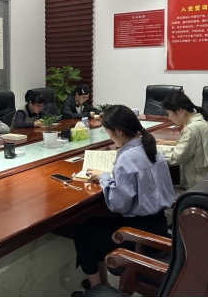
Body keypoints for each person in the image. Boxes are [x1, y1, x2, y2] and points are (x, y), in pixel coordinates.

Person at [72, 105, 175, 296]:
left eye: (108, 132)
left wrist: (105, 177)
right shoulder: (152, 149)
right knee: (92, 223)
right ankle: (102, 285)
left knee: (82, 232)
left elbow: (117, 204)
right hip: (159, 226)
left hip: (136, 236)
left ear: (119, 131)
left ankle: (96, 290)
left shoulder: (126, 158)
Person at [156, 92, 208, 190]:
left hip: (197, 185)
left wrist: (155, 150)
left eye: (169, 113)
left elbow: (175, 159)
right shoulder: (204, 121)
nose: (169, 118)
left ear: (179, 110)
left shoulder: (191, 129)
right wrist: (166, 143)